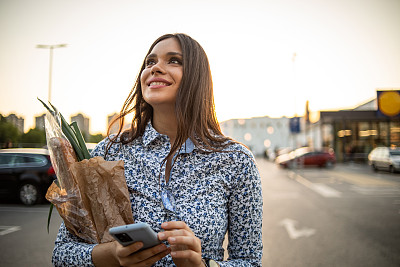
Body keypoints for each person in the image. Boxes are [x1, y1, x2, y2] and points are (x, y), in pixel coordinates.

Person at [52, 33, 263, 267]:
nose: (155, 68)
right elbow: (62, 253)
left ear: (197, 77)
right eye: (150, 62)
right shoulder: (110, 151)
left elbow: (249, 261)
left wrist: (202, 266)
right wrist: (112, 255)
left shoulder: (235, 160)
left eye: (174, 60)